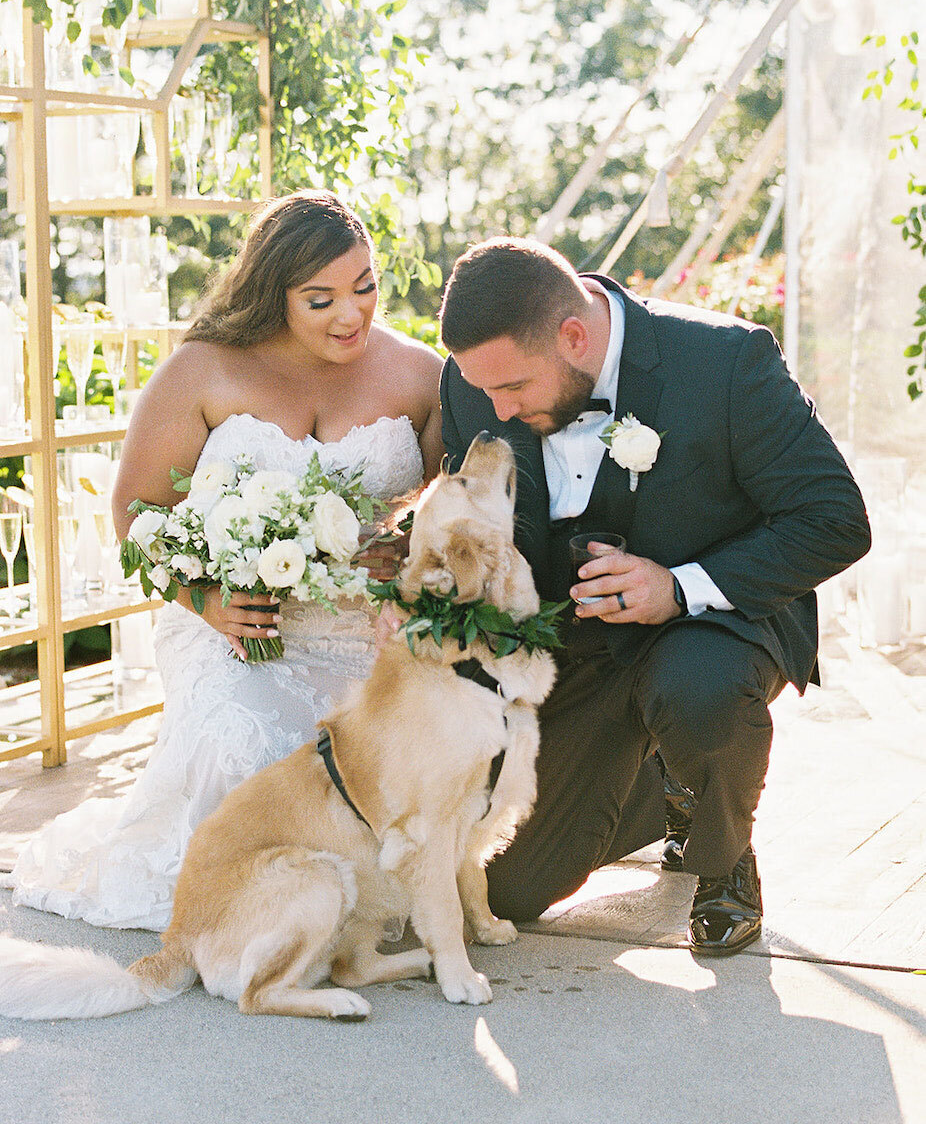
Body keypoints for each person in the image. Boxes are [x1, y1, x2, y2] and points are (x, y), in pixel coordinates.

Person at [7, 191, 443, 931]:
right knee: (249, 751)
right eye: (321, 299)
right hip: (230, 626)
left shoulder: (420, 374)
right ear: (276, 294)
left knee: (372, 766)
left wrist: (403, 564)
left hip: (366, 629)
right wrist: (206, 598)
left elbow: (443, 516)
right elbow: (137, 511)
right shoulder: (203, 370)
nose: (352, 315)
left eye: (365, 286)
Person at [438, 237, 871, 956]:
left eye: (512, 388)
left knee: (698, 691)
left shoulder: (726, 363)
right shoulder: (475, 385)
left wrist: (678, 587)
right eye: (484, 391)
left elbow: (835, 519)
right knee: (507, 889)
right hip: (576, 647)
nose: (499, 411)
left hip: (710, 632)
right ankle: (670, 785)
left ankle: (723, 857)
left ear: (574, 336)